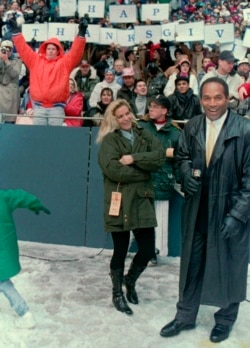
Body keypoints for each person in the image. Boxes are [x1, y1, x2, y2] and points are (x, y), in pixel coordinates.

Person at [160, 77, 250, 343]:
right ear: (201, 100)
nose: (212, 104)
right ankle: (185, 316)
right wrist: (185, 173)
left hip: (229, 209)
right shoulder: (193, 126)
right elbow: (182, 156)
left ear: (228, 99)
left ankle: (225, 319)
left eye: (218, 98)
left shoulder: (244, 130)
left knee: (231, 265)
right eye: (207, 98)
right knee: (192, 263)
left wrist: (237, 215)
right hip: (197, 207)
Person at [97, 99, 165, 315]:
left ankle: (130, 280)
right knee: (120, 249)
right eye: (120, 116)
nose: (126, 118)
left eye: (127, 113)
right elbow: (113, 170)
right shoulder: (109, 141)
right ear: (113, 119)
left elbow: (159, 157)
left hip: (142, 198)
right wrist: (143, 173)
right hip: (120, 199)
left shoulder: (143, 133)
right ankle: (117, 293)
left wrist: (133, 157)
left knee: (146, 250)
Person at [10, 16, 88, 126]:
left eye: (53, 49)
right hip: (39, 108)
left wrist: (81, 35)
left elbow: (76, 52)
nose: (51, 51)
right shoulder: (35, 61)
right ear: (45, 49)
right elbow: (23, 49)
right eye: (49, 48)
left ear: (58, 51)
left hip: (57, 109)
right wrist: (16, 33)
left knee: (55, 137)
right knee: (39, 136)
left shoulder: (65, 63)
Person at [138, 95, 181, 262]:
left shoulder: (175, 133)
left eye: (155, 107)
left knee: (159, 221)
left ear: (165, 110)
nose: (151, 109)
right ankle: (136, 248)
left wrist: (179, 179)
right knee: (138, 217)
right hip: (141, 179)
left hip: (163, 180)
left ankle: (154, 252)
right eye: (150, 106)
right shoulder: (140, 127)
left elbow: (179, 159)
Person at [0, 189, 50, 329]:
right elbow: (22, 196)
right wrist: (35, 204)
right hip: (5, 248)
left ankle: (25, 314)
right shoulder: (4, 197)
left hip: (1, 251)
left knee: (3, 283)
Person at [0, 39, 22, 123]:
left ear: (12, 50)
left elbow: (14, 73)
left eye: (9, 49)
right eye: (4, 49)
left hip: (11, 95)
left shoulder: (17, 61)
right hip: (1, 94)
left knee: (9, 121)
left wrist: (6, 61)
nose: (7, 51)